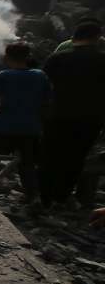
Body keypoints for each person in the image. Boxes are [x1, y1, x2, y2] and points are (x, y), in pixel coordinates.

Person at [41, 20, 105, 207]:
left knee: (49, 155)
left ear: (75, 36)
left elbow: (42, 88)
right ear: (96, 38)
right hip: (90, 120)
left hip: (56, 116)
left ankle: (44, 196)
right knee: (75, 158)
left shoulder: (58, 58)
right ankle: (61, 196)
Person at [0, 42, 49, 203]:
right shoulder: (40, 76)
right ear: (28, 56)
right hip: (30, 128)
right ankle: (33, 197)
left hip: (4, 126)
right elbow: (46, 102)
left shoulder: (4, 75)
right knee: (27, 164)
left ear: (6, 57)